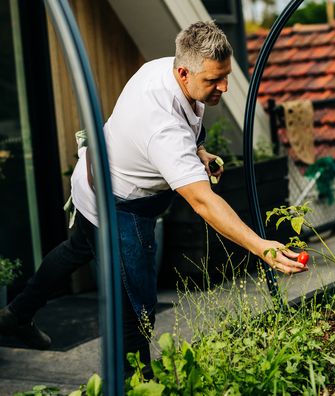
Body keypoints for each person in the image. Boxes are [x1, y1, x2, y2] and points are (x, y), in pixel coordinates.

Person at [0, 21, 306, 371]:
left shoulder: (168, 68)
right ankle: (138, 384)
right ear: (184, 72)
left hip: (98, 174)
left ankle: (15, 315)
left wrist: (199, 151)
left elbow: (188, 122)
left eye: (226, 76)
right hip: (120, 204)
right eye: (213, 80)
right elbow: (203, 201)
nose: (224, 86)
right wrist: (260, 246)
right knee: (135, 308)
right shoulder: (162, 127)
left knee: (78, 247)